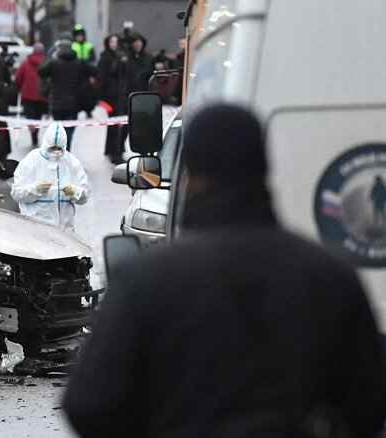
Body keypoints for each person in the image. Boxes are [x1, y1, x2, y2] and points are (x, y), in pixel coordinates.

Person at [63, 104, 386, 437]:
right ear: (263, 167)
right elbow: (369, 404)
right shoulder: (329, 275)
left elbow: (89, 403)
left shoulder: (146, 280)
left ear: (189, 175)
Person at [11, 123, 90, 231]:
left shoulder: (72, 163)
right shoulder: (31, 161)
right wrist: (35, 189)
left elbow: (85, 197)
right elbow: (16, 193)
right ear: (46, 144)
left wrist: (75, 191)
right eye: (52, 148)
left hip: (65, 231)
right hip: (36, 230)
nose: (56, 151)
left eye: (59, 148)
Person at [38, 41, 97, 150]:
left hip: (56, 104)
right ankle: (66, 150)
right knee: (69, 130)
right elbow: (94, 71)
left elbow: (41, 71)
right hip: (73, 104)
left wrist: (51, 58)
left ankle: (59, 151)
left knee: (58, 130)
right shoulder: (80, 63)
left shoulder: (54, 63)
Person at [97, 34, 135, 164]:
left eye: (116, 41)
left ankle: (114, 149)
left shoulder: (122, 57)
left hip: (121, 95)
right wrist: (101, 98)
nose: (114, 44)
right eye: (112, 41)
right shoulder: (106, 58)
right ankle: (114, 151)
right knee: (114, 124)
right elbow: (101, 79)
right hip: (111, 97)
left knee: (119, 124)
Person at [15, 42, 48, 147]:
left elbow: (18, 78)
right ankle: (36, 130)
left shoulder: (25, 63)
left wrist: (18, 87)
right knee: (38, 116)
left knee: (30, 115)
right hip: (42, 95)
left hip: (27, 95)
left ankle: (32, 129)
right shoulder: (46, 63)